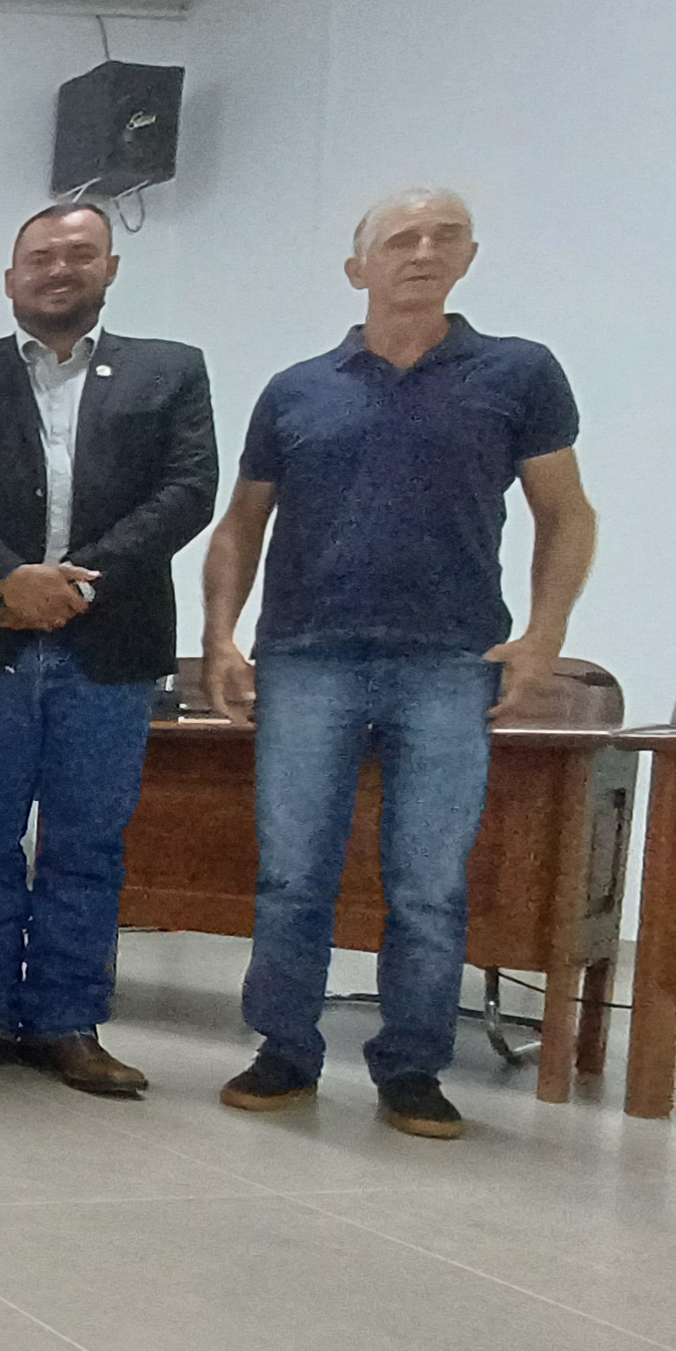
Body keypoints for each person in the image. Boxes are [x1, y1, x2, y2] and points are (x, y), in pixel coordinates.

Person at [201, 188, 596, 1140]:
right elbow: (242, 523)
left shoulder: (519, 373)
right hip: (307, 656)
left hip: (451, 660)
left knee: (428, 882)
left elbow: (567, 514)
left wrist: (543, 638)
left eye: (442, 237)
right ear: (359, 268)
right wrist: (221, 636)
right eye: (399, 239)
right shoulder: (297, 389)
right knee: (293, 874)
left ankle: (413, 1067)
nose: (421, 251)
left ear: (468, 259)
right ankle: (284, 1050)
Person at [0, 203, 217, 1096]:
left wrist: (81, 584)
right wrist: (8, 580)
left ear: (110, 269)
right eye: (40, 256)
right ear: (11, 278)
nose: (59, 269)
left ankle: (68, 1023)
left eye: (80, 254)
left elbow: (188, 490)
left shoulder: (170, 371)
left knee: (87, 844)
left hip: (110, 644)